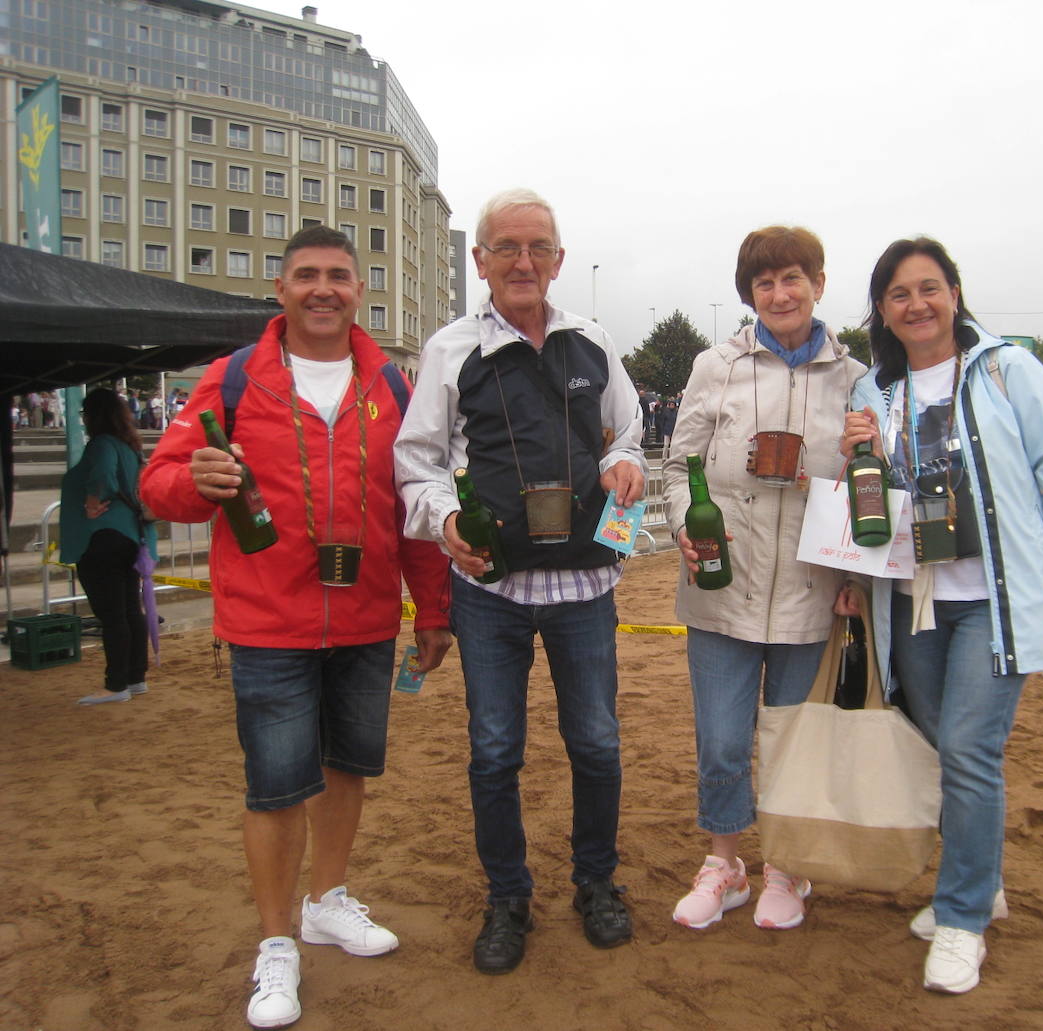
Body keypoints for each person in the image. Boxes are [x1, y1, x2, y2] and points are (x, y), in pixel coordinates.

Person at [142, 225, 452, 1029]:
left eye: (339, 276)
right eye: (307, 275)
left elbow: (412, 503)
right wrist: (197, 479)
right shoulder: (234, 377)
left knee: (347, 767)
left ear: (359, 290)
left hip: (364, 615)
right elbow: (159, 482)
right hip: (267, 621)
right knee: (277, 783)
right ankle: (276, 940)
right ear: (280, 290)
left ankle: (327, 898)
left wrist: (434, 609)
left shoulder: (390, 381)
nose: (324, 288)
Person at [394, 188, 646, 975]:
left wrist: (625, 462)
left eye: (537, 247)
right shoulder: (449, 349)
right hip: (491, 590)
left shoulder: (593, 341)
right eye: (506, 247)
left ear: (558, 260)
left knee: (597, 744)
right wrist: (444, 521)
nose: (523, 261)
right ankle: (508, 895)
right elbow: (417, 459)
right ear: (481, 261)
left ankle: (596, 881)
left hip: (584, 588)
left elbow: (627, 430)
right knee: (495, 749)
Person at [839, 237, 1043, 994]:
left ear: (954, 291)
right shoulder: (873, 394)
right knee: (934, 749)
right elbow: (867, 500)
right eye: (898, 294)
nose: (916, 305)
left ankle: (961, 917)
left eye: (929, 288)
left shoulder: (1009, 369)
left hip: (994, 596)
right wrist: (862, 453)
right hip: (913, 599)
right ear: (882, 310)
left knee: (970, 750)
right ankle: (982, 882)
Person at [661, 226, 865, 934]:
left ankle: (784, 864)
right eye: (764, 283)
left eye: (792, 279)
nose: (780, 294)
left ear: (818, 282)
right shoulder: (715, 365)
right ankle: (725, 863)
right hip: (721, 586)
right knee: (721, 741)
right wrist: (686, 520)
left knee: (790, 738)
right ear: (749, 294)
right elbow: (677, 462)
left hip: (811, 591)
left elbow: (872, 483)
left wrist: (854, 574)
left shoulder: (854, 377)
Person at [59, 388, 155, 706]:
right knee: (129, 609)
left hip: (102, 536)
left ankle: (116, 684)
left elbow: (102, 475)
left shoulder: (102, 444)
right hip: (128, 536)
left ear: (93, 416)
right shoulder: (129, 446)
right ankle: (134, 676)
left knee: (113, 614)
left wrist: (92, 499)